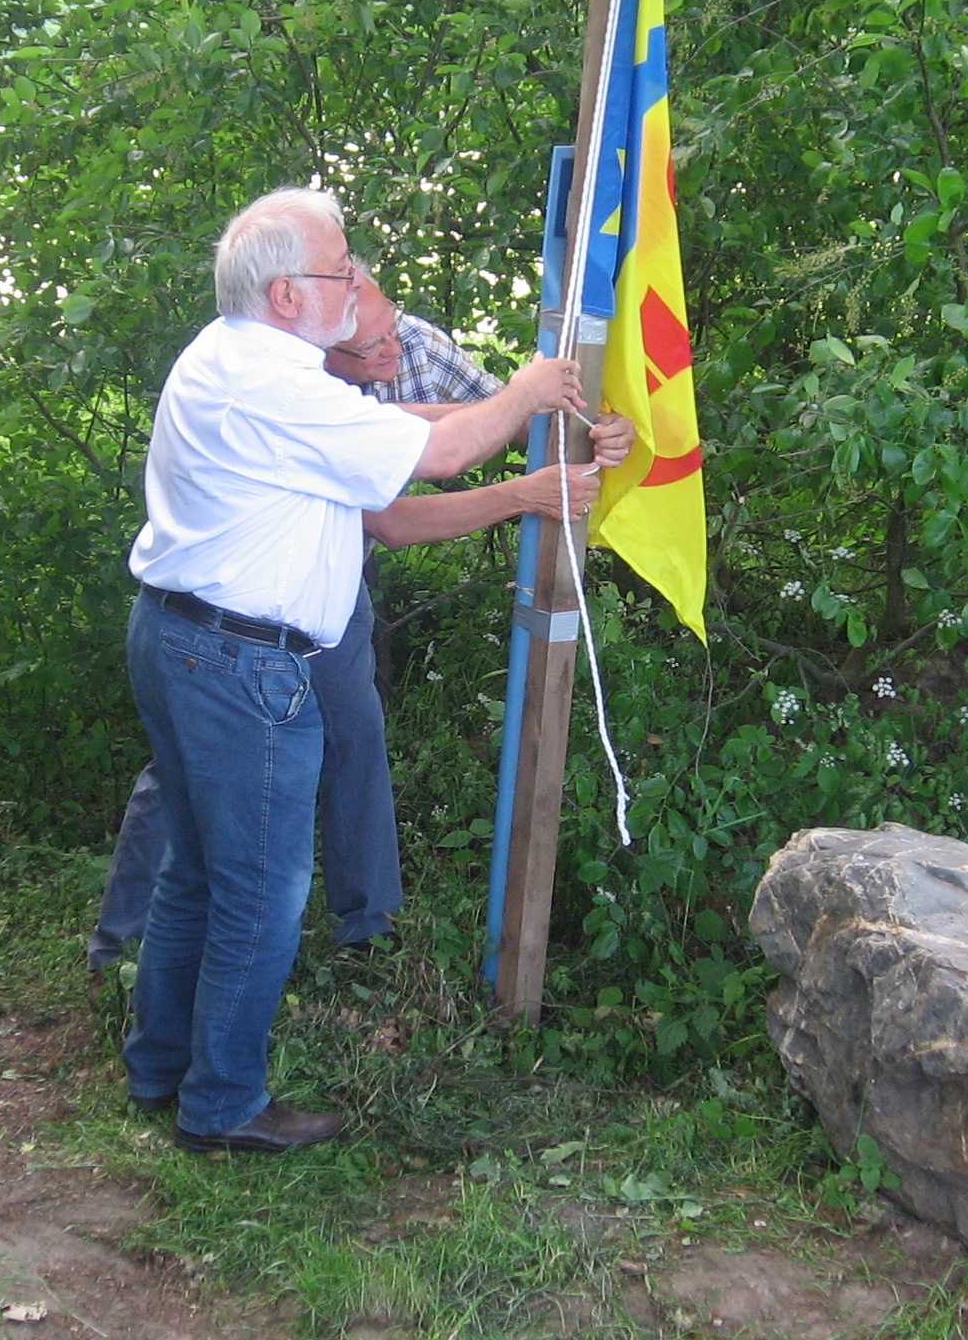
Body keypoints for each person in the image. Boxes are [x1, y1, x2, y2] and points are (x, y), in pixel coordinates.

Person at [122, 186, 598, 1154]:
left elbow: (404, 425)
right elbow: (440, 451)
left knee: (200, 876)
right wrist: (528, 387)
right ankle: (220, 1109)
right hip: (241, 666)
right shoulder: (278, 384)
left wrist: (521, 408)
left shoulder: (231, 356)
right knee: (258, 893)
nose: (354, 285)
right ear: (288, 293)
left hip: (178, 640)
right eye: (340, 270)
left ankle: (158, 1067)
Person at [88, 289, 623, 970]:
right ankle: (122, 944)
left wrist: (595, 424)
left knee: (357, 736)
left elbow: (505, 416)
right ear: (319, 340)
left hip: (335, 592)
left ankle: (368, 925)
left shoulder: (414, 346)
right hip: (241, 618)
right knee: (188, 771)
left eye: (392, 332)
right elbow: (392, 519)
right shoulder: (289, 381)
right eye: (371, 348)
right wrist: (523, 493)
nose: (393, 352)